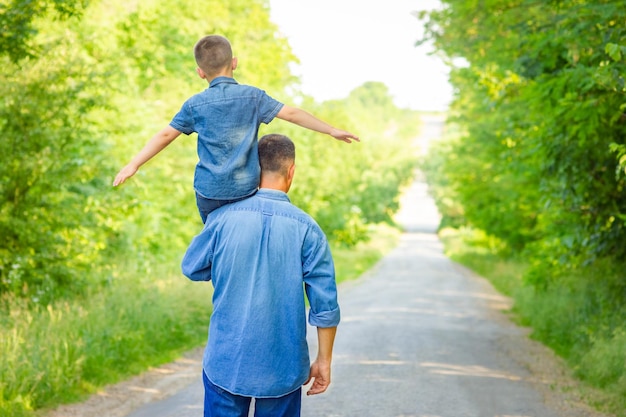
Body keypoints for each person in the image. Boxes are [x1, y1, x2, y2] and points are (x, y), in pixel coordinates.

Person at [113, 34, 359, 223]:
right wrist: (331, 130)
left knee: (213, 234)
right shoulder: (253, 97)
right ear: (234, 63)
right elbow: (292, 114)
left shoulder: (195, 104)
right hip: (245, 190)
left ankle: (210, 255)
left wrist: (133, 164)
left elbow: (166, 135)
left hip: (209, 192)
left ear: (200, 73)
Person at [181, 133, 340, 417]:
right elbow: (325, 306)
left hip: (227, 362)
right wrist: (323, 361)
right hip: (284, 366)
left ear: (253, 169)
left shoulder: (222, 219)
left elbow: (192, 267)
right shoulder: (308, 229)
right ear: (291, 171)